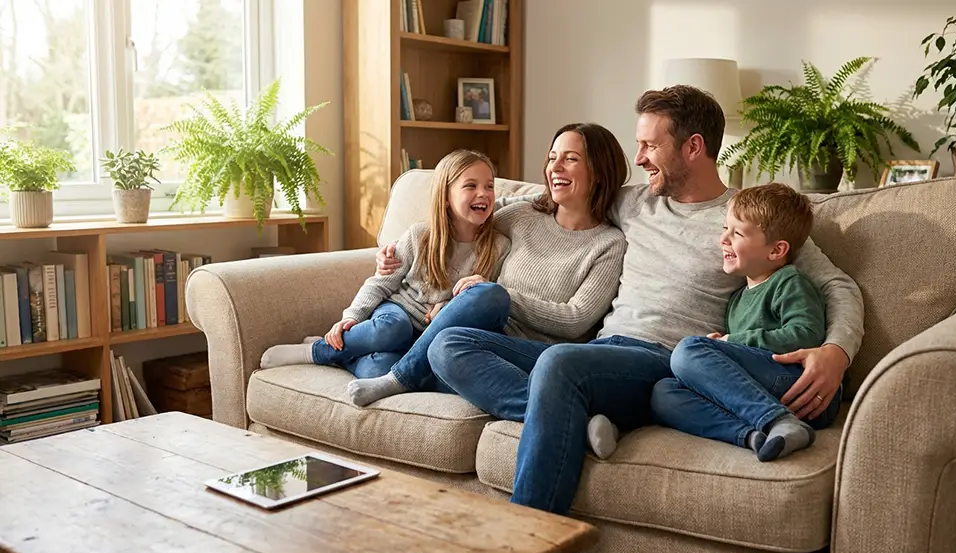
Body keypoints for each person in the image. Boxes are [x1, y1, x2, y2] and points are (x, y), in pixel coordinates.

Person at [409, 85, 864, 516]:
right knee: (449, 343)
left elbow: (835, 285)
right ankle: (575, 420)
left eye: (650, 146)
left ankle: (530, 532)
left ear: (692, 147)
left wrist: (837, 352)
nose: (640, 158)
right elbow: (531, 203)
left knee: (559, 364)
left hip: (667, 360)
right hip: (600, 354)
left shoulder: (746, 218)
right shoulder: (633, 202)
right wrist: (420, 243)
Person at [377, 122, 629, 420]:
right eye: (552, 157)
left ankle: (401, 377)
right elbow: (458, 220)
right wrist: (394, 250)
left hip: (538, 353)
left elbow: (577, 320)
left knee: (462, 327)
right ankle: (572, 418)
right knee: (434, 349)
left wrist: (503, 296)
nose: (555, 167)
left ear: (599, 171)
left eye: (570, 159)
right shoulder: (523, 214)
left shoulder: (608, 243)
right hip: (485, 338)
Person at [258, 149, 511, 407]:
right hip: (397, 313)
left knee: (378, 369)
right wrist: (351, 317)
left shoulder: (498, 247)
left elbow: (478, 303)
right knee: (394, 328)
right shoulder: (420, 236)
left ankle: (346, 356)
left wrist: (446, 307)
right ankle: (317, 351)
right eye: (471, 185)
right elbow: (380, 283)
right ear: (445, 196)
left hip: (426, 339)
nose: (483, 193)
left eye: (490, 186)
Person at [645, 182, 831, 463]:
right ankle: (757, 436)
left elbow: (806, 334)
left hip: (801, 387)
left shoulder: (789, 282)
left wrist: (730, 342)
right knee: (663, 392)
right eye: (724, 229)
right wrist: (724, 345)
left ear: (776, 250)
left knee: (689, 350)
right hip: (759, 391)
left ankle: (777, 420)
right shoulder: (736, 299)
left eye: (738, 233)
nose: (724, 240)